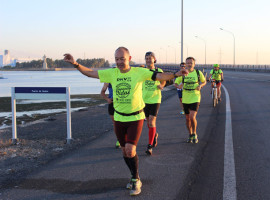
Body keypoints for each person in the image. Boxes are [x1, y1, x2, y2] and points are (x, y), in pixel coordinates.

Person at [63, 47, 188, 196]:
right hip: (119, 117)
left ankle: (136, 179)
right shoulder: (112, 73)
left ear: (129, 58)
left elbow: (159, 76)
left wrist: (175, 74)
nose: (119, 62)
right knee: (124, 151)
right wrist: (75, 63)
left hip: (135, 117)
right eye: (117, 59)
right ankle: (134, 175)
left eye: (122, 58)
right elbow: (90, 73)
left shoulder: (139, 72)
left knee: (130, 150)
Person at [174, 57, 206, 144]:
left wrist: (200, 86)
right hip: (185, 98)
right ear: (186, 64)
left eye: (191, 63)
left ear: (194, 64)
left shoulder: (198, 73)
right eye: (187, 63)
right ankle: (190, 134)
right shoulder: (183, 73)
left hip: (195, 97)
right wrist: (178, 86)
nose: (189, 64)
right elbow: (175, 83)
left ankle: (194, 133)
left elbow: (204, 81)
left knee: (192, 117)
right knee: (187, 118)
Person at [142, 51, 166, 155]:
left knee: (152, 121)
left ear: (154, 59)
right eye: (146, 58)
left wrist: (162, 85)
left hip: (155, 99)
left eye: (150, 58)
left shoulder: (158, 70)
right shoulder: (142, 71)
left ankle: (149, 146)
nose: (148, 60)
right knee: (148, 123)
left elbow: (164, 79)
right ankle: (154, 134)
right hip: (144, 100)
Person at [100, 82, 120, 148]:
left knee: (124, 122)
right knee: (116, 123)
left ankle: (125, 138)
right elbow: (102, 92)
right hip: (112, 103)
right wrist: (107, 99)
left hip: (122, 103)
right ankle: (119, 139)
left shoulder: (123, 78)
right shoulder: (107, 81)